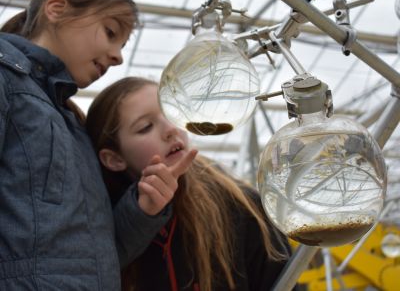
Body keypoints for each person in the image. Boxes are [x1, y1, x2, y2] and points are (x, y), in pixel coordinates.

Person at [0, 0, 195, 290]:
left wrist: (143, 210)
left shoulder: (72, 125)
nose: (118, 56)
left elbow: (96, 259)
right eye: (111, 32)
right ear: (56, 9)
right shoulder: (6, 80)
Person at [86, 76, 293, 291]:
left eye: (170, 112)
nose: (170, 129)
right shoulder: (100, 228)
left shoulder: (240, 204)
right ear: (114, 159)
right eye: (145, 127)